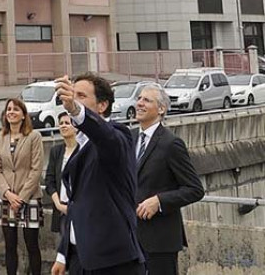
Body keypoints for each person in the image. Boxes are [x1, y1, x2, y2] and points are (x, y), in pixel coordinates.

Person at [52, 73, 145, 275]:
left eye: (81, 96)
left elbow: (105, 136)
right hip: (81, 258)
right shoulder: (80, 144)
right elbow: (77, 204)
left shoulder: (118, 137)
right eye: (72, 94)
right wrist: (63, 254)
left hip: (112, 262)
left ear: (102, 106)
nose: (73, 100)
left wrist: (76, 110)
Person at [132, 83, 204, 275]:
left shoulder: (171, 144)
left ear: (161, 109)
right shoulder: (130, 139)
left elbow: (194, 189)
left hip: (159, 241)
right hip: (130, 238)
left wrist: (159, 201)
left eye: (146, 100)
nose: (139, 103)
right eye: (139, 98)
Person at [0, 98, 43, 275]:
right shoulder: (0, 138)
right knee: (10, 245)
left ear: (23, 115)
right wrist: (7, 193)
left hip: (28, 197)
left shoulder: (34, 137)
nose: (11, 112)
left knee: (32, 245)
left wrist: (21, 197)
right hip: (7, 198)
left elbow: (36, 169)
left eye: (15, 109)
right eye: (8, 109)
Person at [45, 113, 78, 239]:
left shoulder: (83, 150)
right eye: (61, 123)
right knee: (64, 251)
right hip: (61, 208)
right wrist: (58, 204)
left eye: (67, 123)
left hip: (78, 209)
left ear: (76, 127)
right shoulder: (56, 151)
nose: (63, 126)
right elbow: (50, 180)